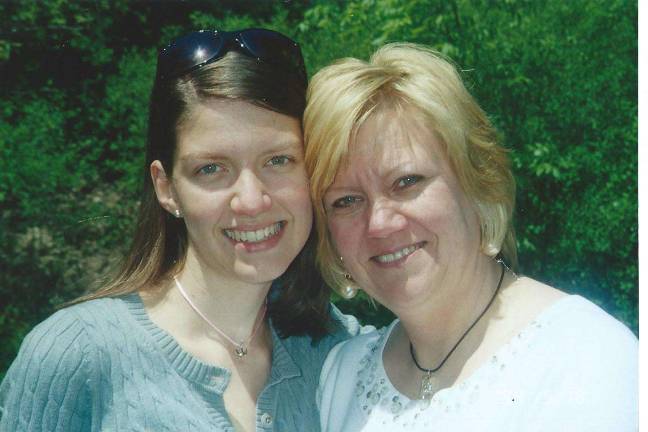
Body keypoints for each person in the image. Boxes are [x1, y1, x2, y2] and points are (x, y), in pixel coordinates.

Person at [0, 28, 362, 432]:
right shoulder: (78, 354)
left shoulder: (342, 355)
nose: (252, 199)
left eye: (278, 160)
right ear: (167, 187)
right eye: (212, 169)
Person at [303, 43, 637, 431]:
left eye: (407, 182)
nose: (379, 222)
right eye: (346, 201)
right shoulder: (340, 378)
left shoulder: (586, 358)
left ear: (478, 183)